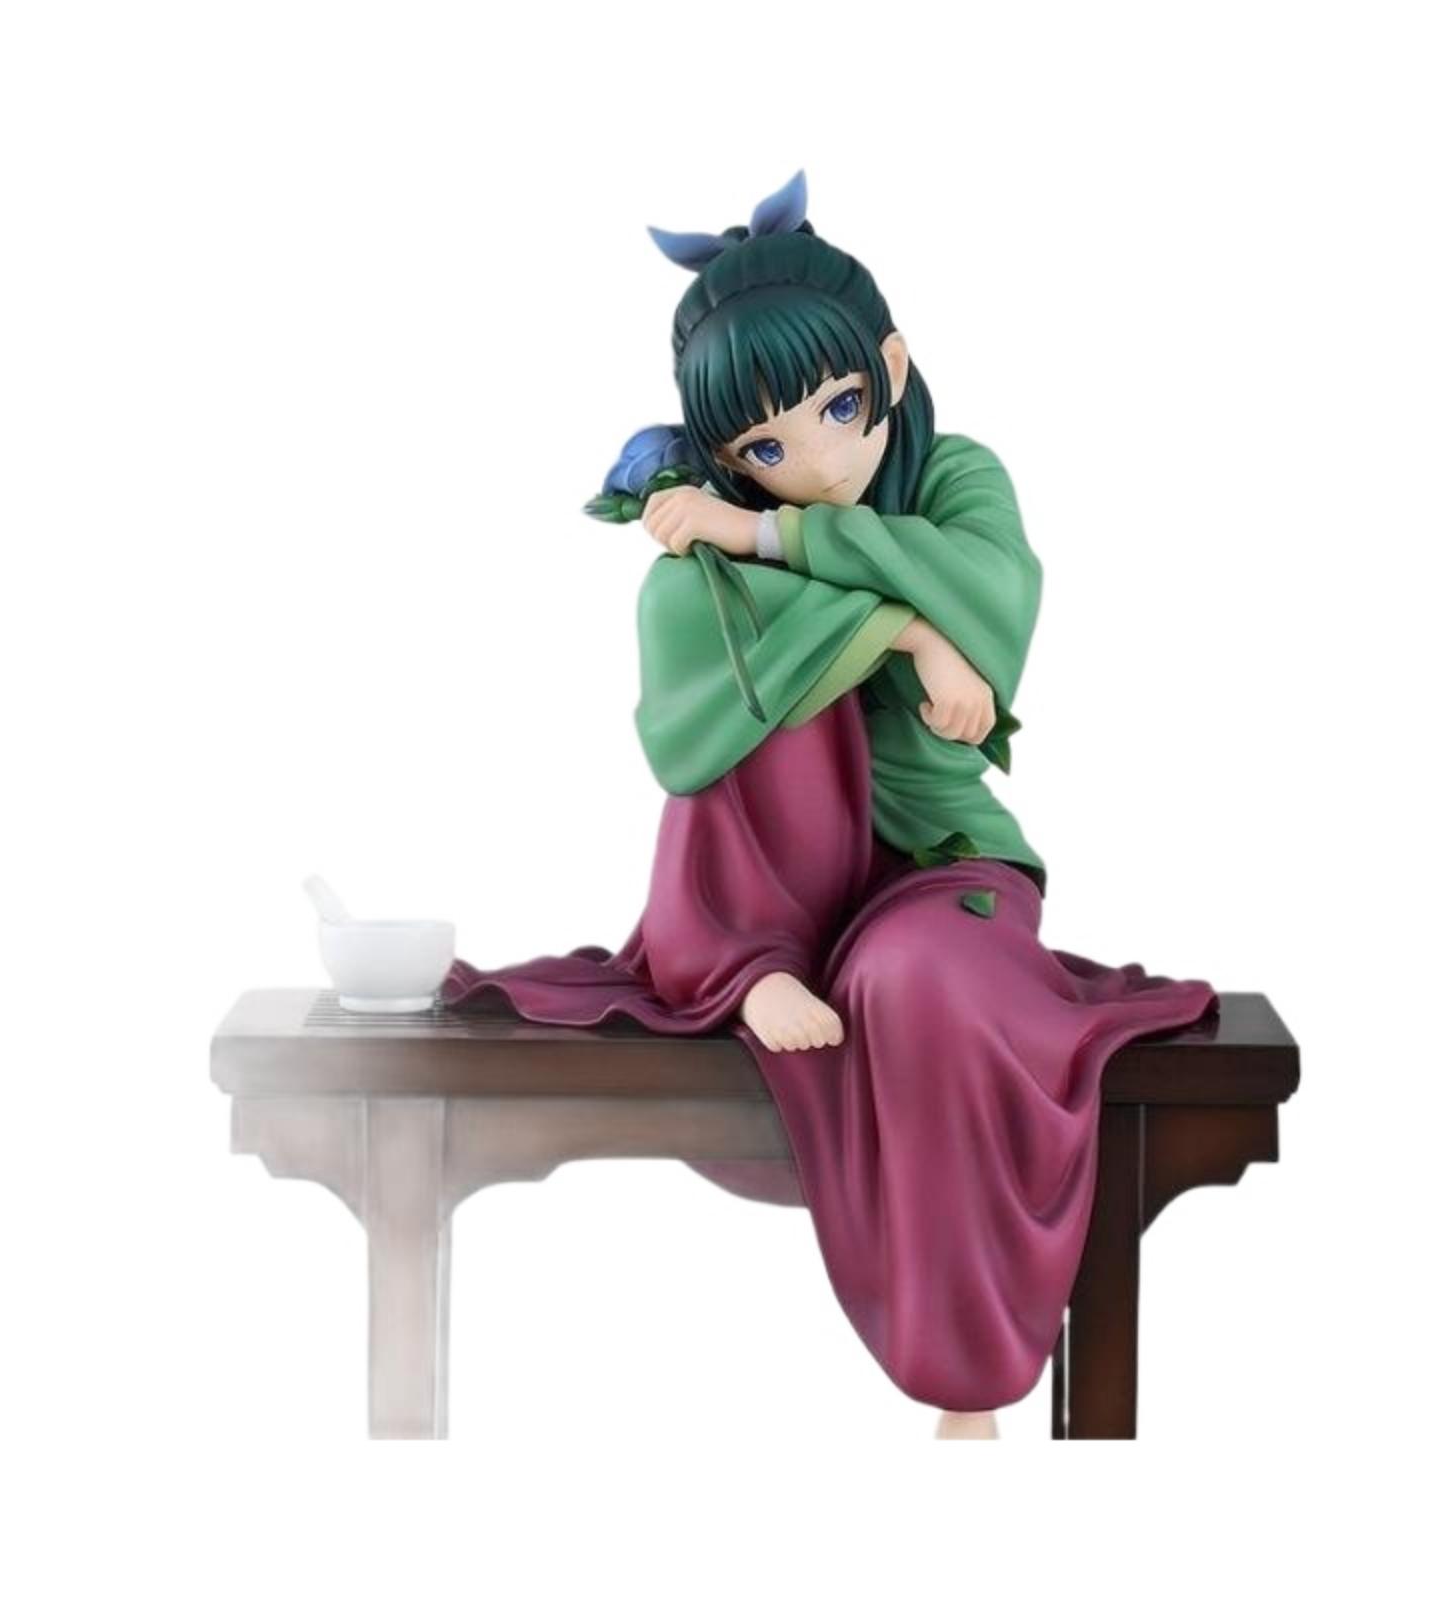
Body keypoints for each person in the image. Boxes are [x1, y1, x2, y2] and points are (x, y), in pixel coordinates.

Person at [445, 172, 1217, 1439]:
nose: (810, 465)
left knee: (915, 982)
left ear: (890, 370)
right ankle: (739, 964)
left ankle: (966, 1388)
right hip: (782, 886)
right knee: (753, 668)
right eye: (763, 452)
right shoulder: (719, 544)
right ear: (723, 455)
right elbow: (684, 640)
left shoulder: (954, 477)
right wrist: (905, 630)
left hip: (939, 870)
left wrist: (771, 542)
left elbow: (990, 590)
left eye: (838, 409)